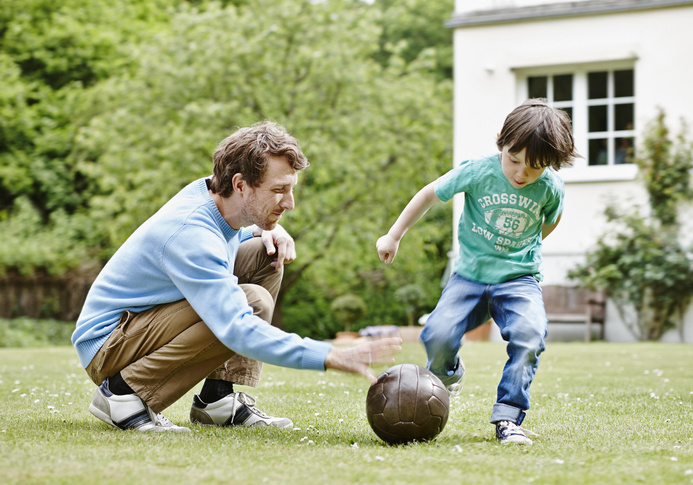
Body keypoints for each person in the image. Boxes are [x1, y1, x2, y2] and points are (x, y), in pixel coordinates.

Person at [73, 121, 401, 432]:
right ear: (240, 184)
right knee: (251, 302)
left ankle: (218, 398)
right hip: (110, 345)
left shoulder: (217, 199)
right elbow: (236, 326)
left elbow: (229, 231)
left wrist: (265, 228)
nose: (290, 203)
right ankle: (122, 393)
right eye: (279, 190)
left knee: (264, 253)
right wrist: (329, 355)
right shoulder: (192, 234)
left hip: (137, 327)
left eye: (291, 189)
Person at [376, 99, 576, 445]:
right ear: (501, 141)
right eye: (514, 160)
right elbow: (428, 195)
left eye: (534, 168)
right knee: (437, 335)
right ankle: (449, 373)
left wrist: (528, 246)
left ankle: (509, 417)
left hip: (518, 279)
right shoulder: (478, 172)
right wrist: (394, 235)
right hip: (469, 276)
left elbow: (552, 219)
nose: (520, 174)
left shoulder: (551, 188)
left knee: (530, 335)